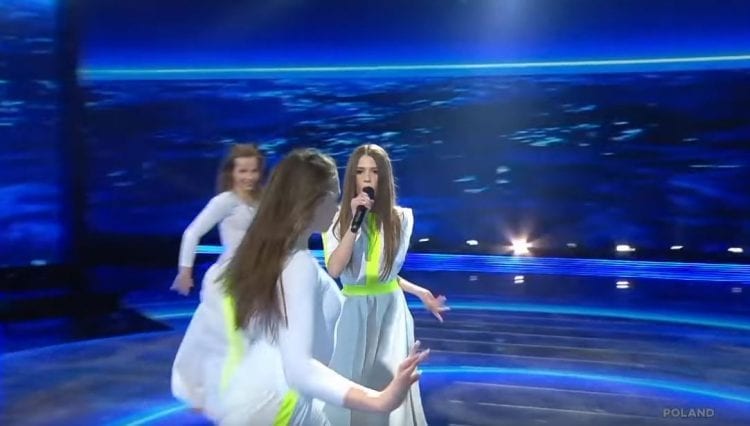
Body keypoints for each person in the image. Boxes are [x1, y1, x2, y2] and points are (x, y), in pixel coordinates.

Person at [209, 148, 429, 425]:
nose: (338, 205)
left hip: (270, 401)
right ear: (316, 200)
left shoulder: (274, 256)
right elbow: (300, 369)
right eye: (334, 196)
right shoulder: (298, 265)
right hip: (281, 407)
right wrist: (380, 399)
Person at [323, 143, 449, 426]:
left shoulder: (400, 219)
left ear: (384, 176)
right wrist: (353, 225)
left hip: (390, 313)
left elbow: (384, 275)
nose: (367, 178)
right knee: (349, 385)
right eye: (360, 171)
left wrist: (421, 292)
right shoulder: (336, 219)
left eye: (374, 171)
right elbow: (335, 268)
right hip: (351, 311)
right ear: (352, 177)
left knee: (387, 388)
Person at [170, 143, 265, 411]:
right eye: (242, 171)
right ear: (231, 172)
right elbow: (192, 233)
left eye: (253, 171)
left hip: (256, 279)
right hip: (229, 282)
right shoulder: (225, 201)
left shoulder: (262, 201)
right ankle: (222, 397)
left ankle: (246, 395)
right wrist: (185, 271)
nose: (248, 177)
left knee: (252, 339)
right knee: (227, 340)